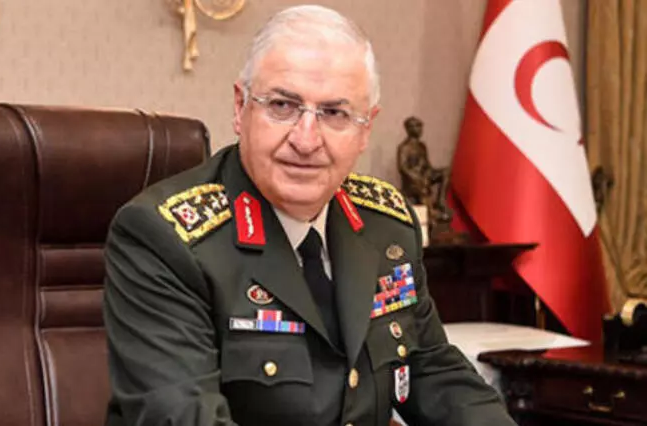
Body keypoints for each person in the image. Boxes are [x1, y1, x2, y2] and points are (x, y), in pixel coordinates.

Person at [103, 5, 517, 426]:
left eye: (334, 113)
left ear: (365, 129)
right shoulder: (165, 239)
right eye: (283, 105)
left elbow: (430, 369)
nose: (306, 140)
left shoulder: (386, 225)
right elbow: (185, 417)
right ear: (240, 108)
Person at [396, 116, 451, 223]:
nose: (420, 129)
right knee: (422, 187)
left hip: (423, 176)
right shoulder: (404, 147)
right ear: (409, 129)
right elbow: (403, 168)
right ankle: (430, 214)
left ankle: (441, 201)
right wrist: (418, 178)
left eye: (420, 126)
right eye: (416, 126)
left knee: (446, 172)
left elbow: (428, 165)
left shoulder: (422, 146)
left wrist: (428, 173)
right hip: (412, 182)